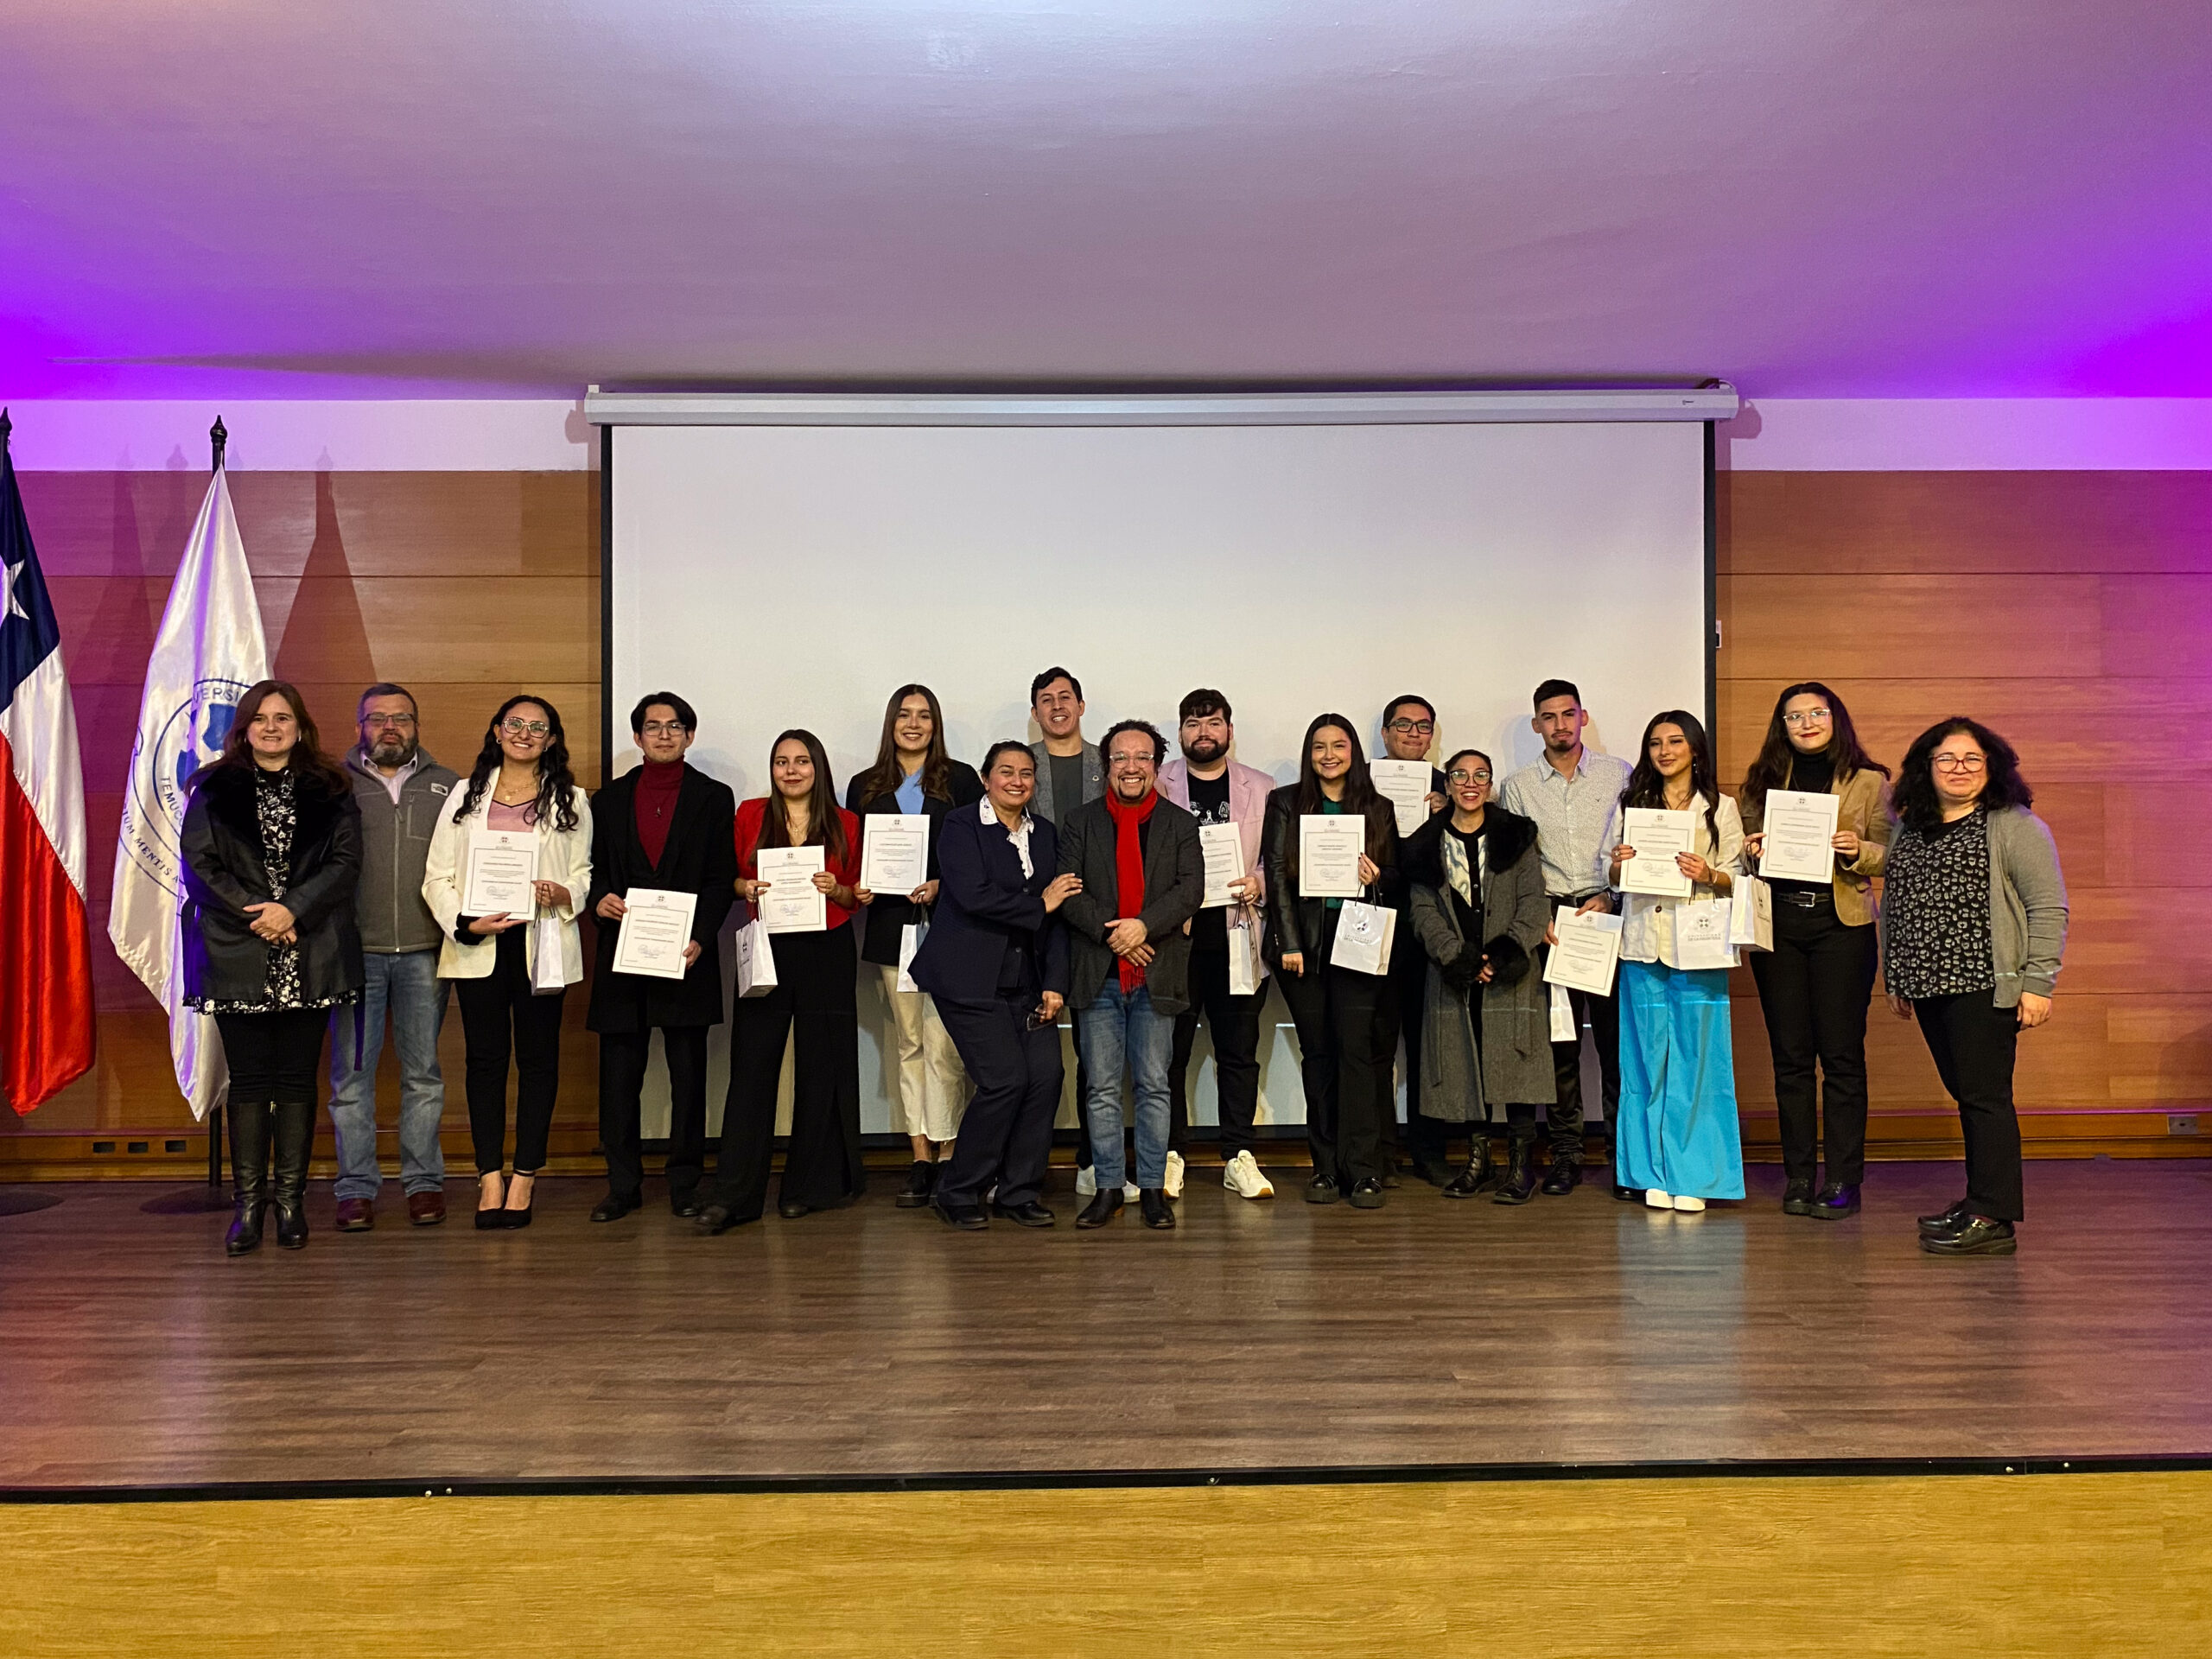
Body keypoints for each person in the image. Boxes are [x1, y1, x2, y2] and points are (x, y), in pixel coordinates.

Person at [181, 681, 363, 1255]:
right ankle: (248, 1207)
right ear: (244, 727)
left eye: (283, 717)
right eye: (260, 718)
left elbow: (346, 861)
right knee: (251, 1081)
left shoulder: (332, 787)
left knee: (296, 1080)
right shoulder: (213, 787)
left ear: (301, 726)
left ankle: (289, 1203)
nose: (271, 726)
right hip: (239, 949)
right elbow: (200, 865)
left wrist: (294, 911)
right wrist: (260, 916)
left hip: (312, 951)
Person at [1881, 719, 2067, 1257]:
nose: (1959, 769)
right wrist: (1896, 973)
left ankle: (1994, 1218)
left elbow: (2048, 908)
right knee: (1968, 1096)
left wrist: (2038, 983)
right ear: (1926, 767)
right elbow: (1898, 904)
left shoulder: (2014, 825)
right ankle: (1979, 1199)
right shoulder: (1910, 826)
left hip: (1984, 985)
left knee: (1986, 1099)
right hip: (1927, 983)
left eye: (1971, 759)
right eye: (1947, 759)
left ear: (1991, 768)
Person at [423, 694, 594, 1230]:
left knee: (539, 1062)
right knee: (485, 1062)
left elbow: (586, 872)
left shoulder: (572, 799)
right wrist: (464, 922)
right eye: (514, 724)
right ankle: (489, 1174)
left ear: (551, 738)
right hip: (480, 947)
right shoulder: (463, 796)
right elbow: (436, 878)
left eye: (537, 727)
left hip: (541, 946)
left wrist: (563, 892)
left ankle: (525, 1174)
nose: (524, 733)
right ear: (497, 731)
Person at [698, 730, 867, 1233]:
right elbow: (727, 876)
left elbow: (857, 895)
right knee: (752, 1068)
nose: (791, 771)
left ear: (818, 768)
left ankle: (808, 1189)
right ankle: (736, 1195)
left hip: (828, 948)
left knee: (823, 1067)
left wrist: (838, 889)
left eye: (801, 762)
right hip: (766, 946)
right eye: (780, 762)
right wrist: (743, 886)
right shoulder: (749, 814)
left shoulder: (847, 822)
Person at [909, 741, 1080, 1230]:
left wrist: (1054, 983)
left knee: (1045, 1079)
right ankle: (958, 1188)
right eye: (1006, 771)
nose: (1017, 780)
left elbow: (1059, 915)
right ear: (986, 778)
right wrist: (1039, 905)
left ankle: (1018, 1191)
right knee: (1005, 1080)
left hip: (1028, 980)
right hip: (967, 977)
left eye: (1026, 773)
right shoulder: (961, 826)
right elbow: (972, 895)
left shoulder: (1044, 833)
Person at [1738, 683, 1892, 1220]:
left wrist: (1858, 850)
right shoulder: (1760, 783)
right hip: (1778, 928)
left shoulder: (1871, 782)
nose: (1806, 722)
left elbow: (1892, 854)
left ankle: (1844, 1179)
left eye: (1816, 713)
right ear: (1781, 726)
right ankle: (1799, 1175)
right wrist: (1752, 850)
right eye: (1794, 716)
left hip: (1841, 928)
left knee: (1843, 1057)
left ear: (1835, 718)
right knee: (1791, 1059)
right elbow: (1745, 855)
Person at [585, 693, 738, 1223]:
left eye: (676, 727)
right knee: (619, 1077)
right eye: (653, 727)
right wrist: (597, 898)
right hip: (622, 956)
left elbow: (721, 879)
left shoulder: (715, 798)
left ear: (690, 736)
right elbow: (595, 871)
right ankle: (622, 1185)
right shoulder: (606, 801)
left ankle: (685, 1183)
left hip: (685, 956)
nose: (665, 735)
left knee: (688, 1076)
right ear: (637, 737)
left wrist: (700, 935)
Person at [1058, 719, 1205, 1230]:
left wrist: (1142, 928)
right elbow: (1069, 891)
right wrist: (1114, 936)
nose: (1131, 767)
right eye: (1120, 757)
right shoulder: (1079, 822)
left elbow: (1190, 892)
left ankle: (1151, 1190)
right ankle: (1106, 1188)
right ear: (1107, 766)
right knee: (1099, 1087)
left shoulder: (1180, 824)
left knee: (1153, 1085)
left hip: (1157, 973)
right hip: (1098, 974)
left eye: (1142, 757)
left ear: (1157, 765)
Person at [1599, 710, 1745, 1213]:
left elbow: (1737, 874)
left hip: (1698, 945)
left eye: (1675, 741)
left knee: (1698, 1065)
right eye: (1656, 743)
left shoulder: (1721, 807)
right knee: (1644, 1066)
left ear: (1696, 750)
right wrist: (1618, 862)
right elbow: (1611, 874)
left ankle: (1696, 1176)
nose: (1665, 751)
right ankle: (1648, 1173)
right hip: (1642, 946)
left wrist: (1709, 873)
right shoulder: (1630, 805)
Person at [847, 684, 985, 1209]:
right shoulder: (864, 785)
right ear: (891, 722)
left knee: (945, 1045)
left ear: (936, 724)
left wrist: (944, 886)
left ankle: (951, 1153)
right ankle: (920, 1155)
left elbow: (979, 850)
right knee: (908, 1044)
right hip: (889, 928)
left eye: (924, 715)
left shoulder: (963, 780)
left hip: (949, 926)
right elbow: (855, 854)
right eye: (904, 715)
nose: (913, 723)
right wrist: (858, 885)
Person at [327, 683, 457, 1232]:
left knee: (423, 1074)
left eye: (401, 718)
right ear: (359, 725)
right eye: (377, 718)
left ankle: (424, 1184)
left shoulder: (451, 787)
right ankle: (355, 1188)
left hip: (427, 953)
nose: (389, 727)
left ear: (417, 726)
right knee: (351, 1078)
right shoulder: (331, 785)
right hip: (355, 955)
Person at [1497, 679, 1634, 1197]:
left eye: (1568, 714)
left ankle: (1626, 1156)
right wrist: (1537, 916)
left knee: (1618, 1045)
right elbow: (1517, 863)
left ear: (1583, 717)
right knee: (1561, 1046)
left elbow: (1634, 845)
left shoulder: (1619, 773)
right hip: (1552, 921)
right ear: (1537, 725)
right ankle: (1566, 1154)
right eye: (1548, 717)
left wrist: (1614, 898)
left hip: (1607, 912)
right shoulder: (1517, 786)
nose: (1559, 724)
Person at [1262, 713, 1402, 1208]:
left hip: (1359, 948)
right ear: (1309, 753)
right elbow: (1276, 874)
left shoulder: (1378, 807)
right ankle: (1324, 1167)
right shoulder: (1284, 802)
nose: (1328, 755)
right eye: (1319, 746)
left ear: (1353, 752)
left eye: (1338, 746)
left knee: (1357, 1057)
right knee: (1319, 1057)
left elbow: (1396, 881)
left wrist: (1377, 876)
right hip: (1305, 951)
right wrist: (1289, 942)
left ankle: (1363, 1170)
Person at [1403, 749, 1555, 1203]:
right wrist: (1459, 959)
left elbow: (1534, 901)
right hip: (1454, 973)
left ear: (1490, 784)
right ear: (1446, 784)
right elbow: (1422, 911)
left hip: (1510, 969)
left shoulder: (1515, 835)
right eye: (1460, 775)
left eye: (1480, 775)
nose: (1470, 783)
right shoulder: (1424, 843)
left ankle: (1520, 1166)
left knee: (1517, 1062)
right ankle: (1479, 1160)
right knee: (1464, 1064)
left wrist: (1502, 954)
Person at [1159, 688, 1275, 1201]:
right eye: (1192, 723)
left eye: (1213, 723)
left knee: (1238, 1052)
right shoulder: (1157, 782)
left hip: (1237, 934)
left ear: (1229, 730)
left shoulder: (1264, 787)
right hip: (1176, 941)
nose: (1202, 732)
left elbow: (1281, 858)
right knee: (1168, 1054)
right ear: (1181, 732)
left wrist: (1261, 884)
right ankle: (1168, 1153)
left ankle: (1238, 1155)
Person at [1376, 693, 1449, 1185]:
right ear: (1384, 733)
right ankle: (1378, 1153)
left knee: (1429, 1047)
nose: (1413, 734)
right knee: (1375, 1046)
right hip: (1371, 929)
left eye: (1423, 727)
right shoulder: (1359, 780)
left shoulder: (1451, 786)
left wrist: (1448, 815)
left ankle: (1430, 1152)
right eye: (1403, 725)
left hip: (1430, 935)